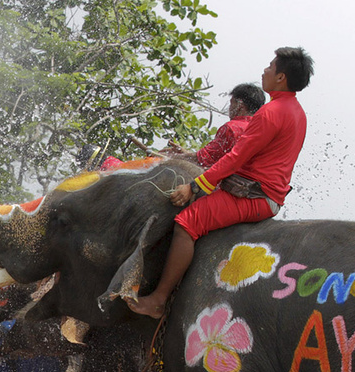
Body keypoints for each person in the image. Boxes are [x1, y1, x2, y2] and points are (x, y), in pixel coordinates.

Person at [128, 47, 314, 319]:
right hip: (266, 192)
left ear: (281, 77)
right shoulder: (297, 112)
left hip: (253, 195)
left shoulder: (270, 112)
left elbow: (235, 158)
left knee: (186, 224)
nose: (265, 70)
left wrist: (193, 187)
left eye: (271, 66)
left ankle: (158, 299)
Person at [162, 83, 266, 167]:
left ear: (239, 105)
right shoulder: (263, 129)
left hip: (230, 188)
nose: (229, 108)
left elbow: (203, 160)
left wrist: (168, 157)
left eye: (231, 103)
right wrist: (185, 152)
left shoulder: (232, 128)